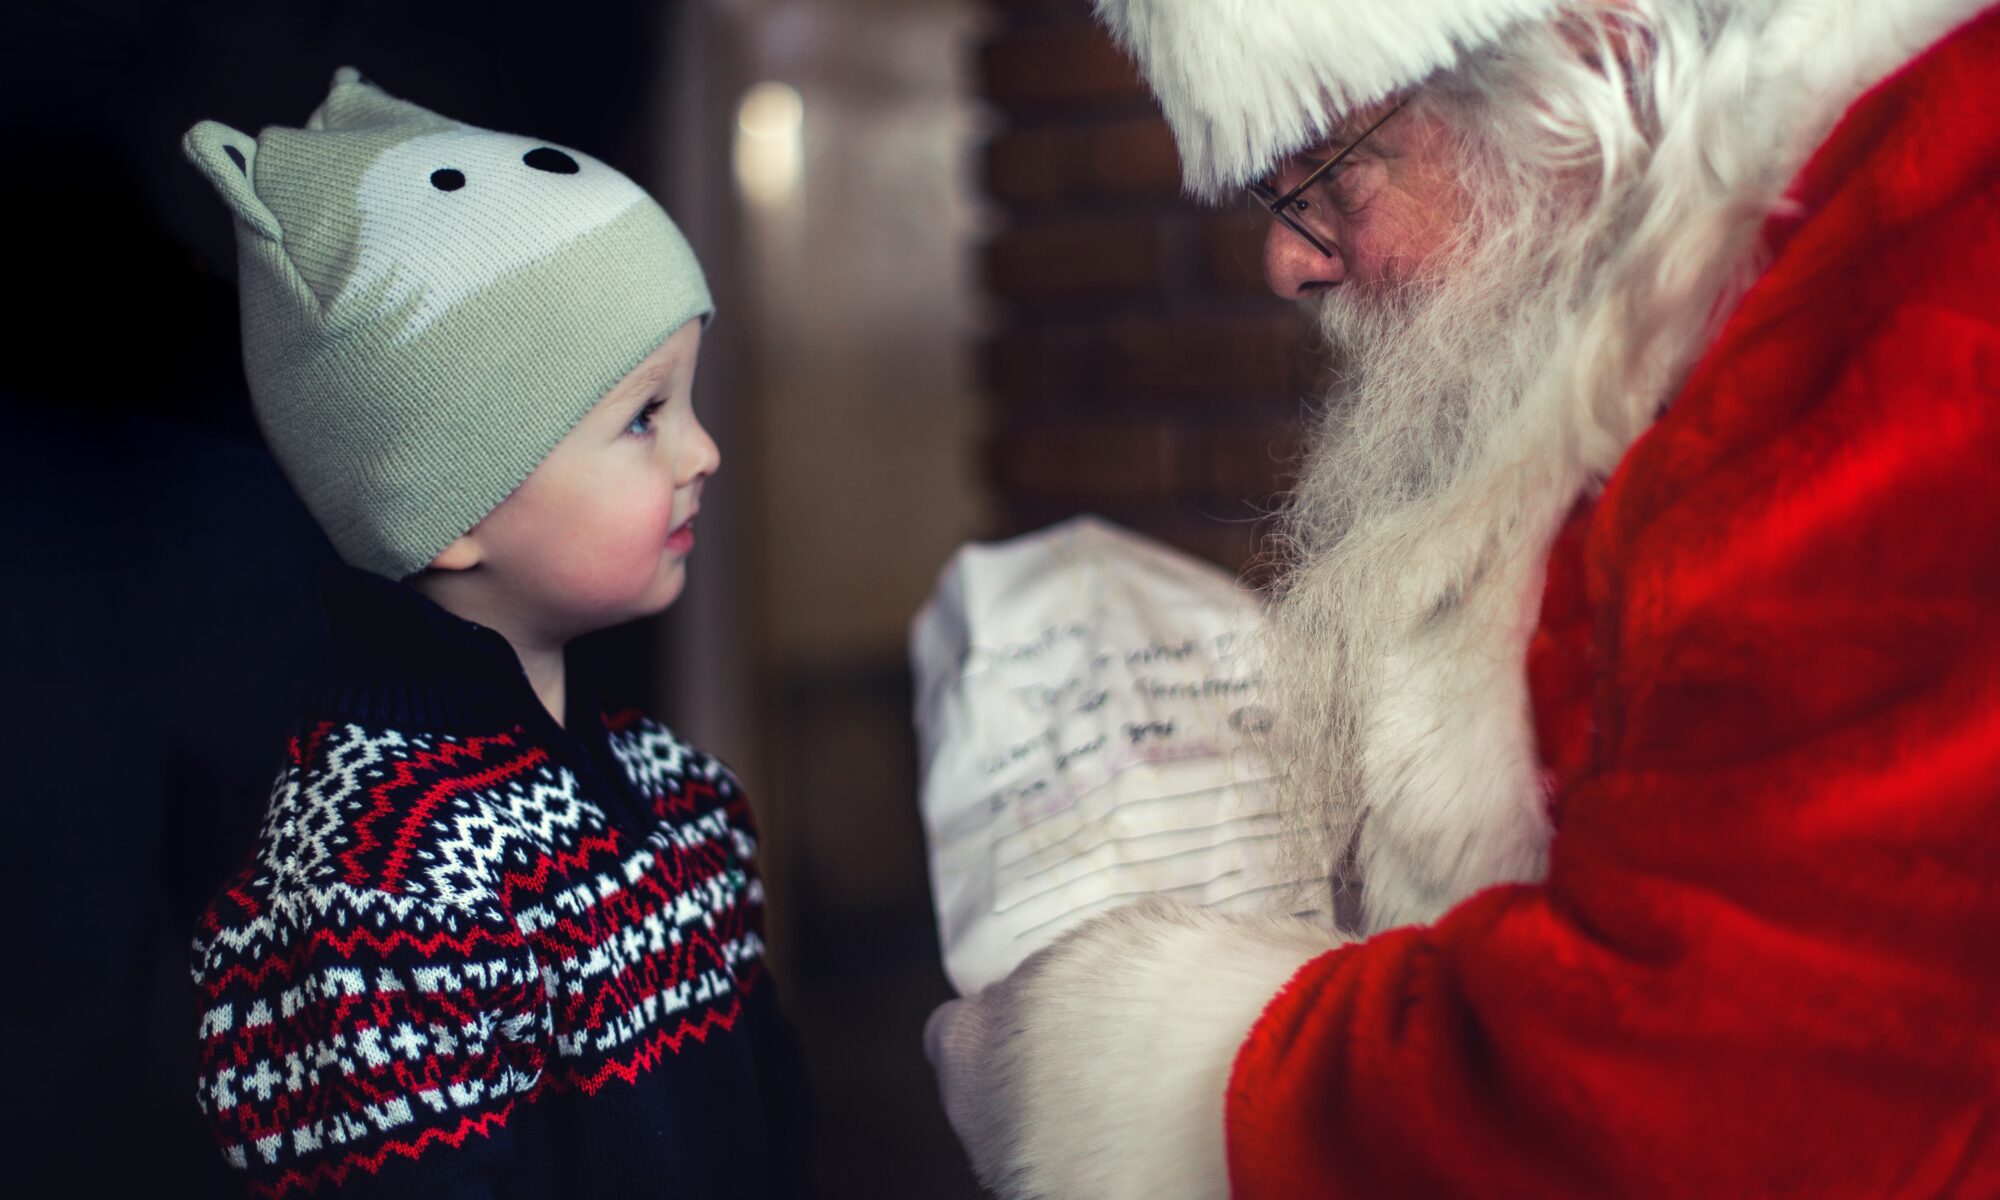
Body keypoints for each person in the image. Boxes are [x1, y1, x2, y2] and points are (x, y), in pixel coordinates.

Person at [925, 0, 2000, 1195]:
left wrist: (1131, 1066)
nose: (1286, 260)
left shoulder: (1938, 259)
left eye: (1324, 172)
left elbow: (1730, 1085)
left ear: (1593, 54)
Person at [183, 69, 809, 1197]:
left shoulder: (685, 800)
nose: (701, 452)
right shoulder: (372, 896)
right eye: (644, 416)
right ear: (453, 503)